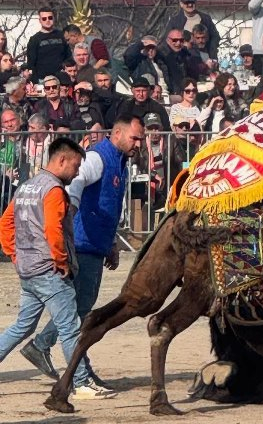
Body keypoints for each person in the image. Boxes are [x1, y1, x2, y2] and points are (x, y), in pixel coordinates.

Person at [23, 116, 145, 388]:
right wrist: (72, 211)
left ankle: (47, 348)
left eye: (140, 138)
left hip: (95, 243)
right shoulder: (98, 157)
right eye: (134, 138)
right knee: (80, 308)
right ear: (116, 133)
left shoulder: (120, 161)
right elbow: (75, 184)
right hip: (82, 243)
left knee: (77, 307)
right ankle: (70, 364)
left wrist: (111, 241)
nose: (139, 143)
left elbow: (109, 205)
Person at [0, 136, 118, 400]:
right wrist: (61, 261)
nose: (77, 173)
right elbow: (53, 230)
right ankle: (81, 382)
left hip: (28, 270)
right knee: (70, 327)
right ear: (61, 160)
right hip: (49, 270)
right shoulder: (54, 190)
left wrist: (15, 255)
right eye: (75, 166)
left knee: (23, 325)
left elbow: (4, 224)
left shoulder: (27, 186)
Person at [26, 7, 70, 83]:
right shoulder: (34, 39)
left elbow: (68, 56)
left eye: (50, 18)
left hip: (61, 79)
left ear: (54, 18)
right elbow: (31, 63)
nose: (47, 20)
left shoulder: (61, 35)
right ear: (40, 20)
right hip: (42, 80)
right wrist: (34, 81)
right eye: (44, 18)